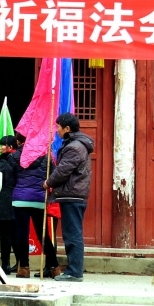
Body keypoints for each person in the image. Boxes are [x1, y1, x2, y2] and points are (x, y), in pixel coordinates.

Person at [43, 112, 94, 282]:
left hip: (72, 195)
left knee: (72, 234)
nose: (56, 130)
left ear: (67, 128)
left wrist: (48, 182)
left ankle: (74, 272)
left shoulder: (74, 147)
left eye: (58, 127)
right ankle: (74, 270)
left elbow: (63, 171)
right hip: (74, 194)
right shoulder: (77, 145)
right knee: (72, 233)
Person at [9, 133, 60, 279]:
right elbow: (53, 176)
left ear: (19, 141)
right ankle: (54, 266)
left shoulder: (14, 156)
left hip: (19, 198)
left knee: (21, 233)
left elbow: (11, 178)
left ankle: (24, 268)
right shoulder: (46, 156)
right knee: (42, 234)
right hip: (38, 198)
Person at [0, 135, 18, 274]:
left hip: (4, 199)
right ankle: (20, 262)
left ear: (10, 147)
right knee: (14, 233)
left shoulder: (4, 161)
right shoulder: (18, 159)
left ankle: (5, 264)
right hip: (15, 198)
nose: (0, 147)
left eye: (3, 145)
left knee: (6, 235)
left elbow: (0, 178)